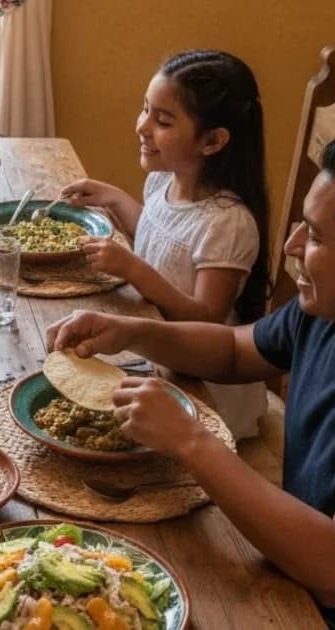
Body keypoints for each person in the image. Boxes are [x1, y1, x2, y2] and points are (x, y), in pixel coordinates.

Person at [47, 133, 335, 628]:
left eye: (316, 237)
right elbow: (236, 350)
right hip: (285, 563)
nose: (291, 245)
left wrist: (190, 440)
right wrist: (132, 332)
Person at [58, 50, 269, 439]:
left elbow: (205, 319)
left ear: (213, 140)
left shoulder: (228, 222)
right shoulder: (163, 180)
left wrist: (132, 268)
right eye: (145, 110)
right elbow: (161, 237)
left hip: (206, 389)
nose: (143, 126)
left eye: (163, 120)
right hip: (155, 348)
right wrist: (114, 199)